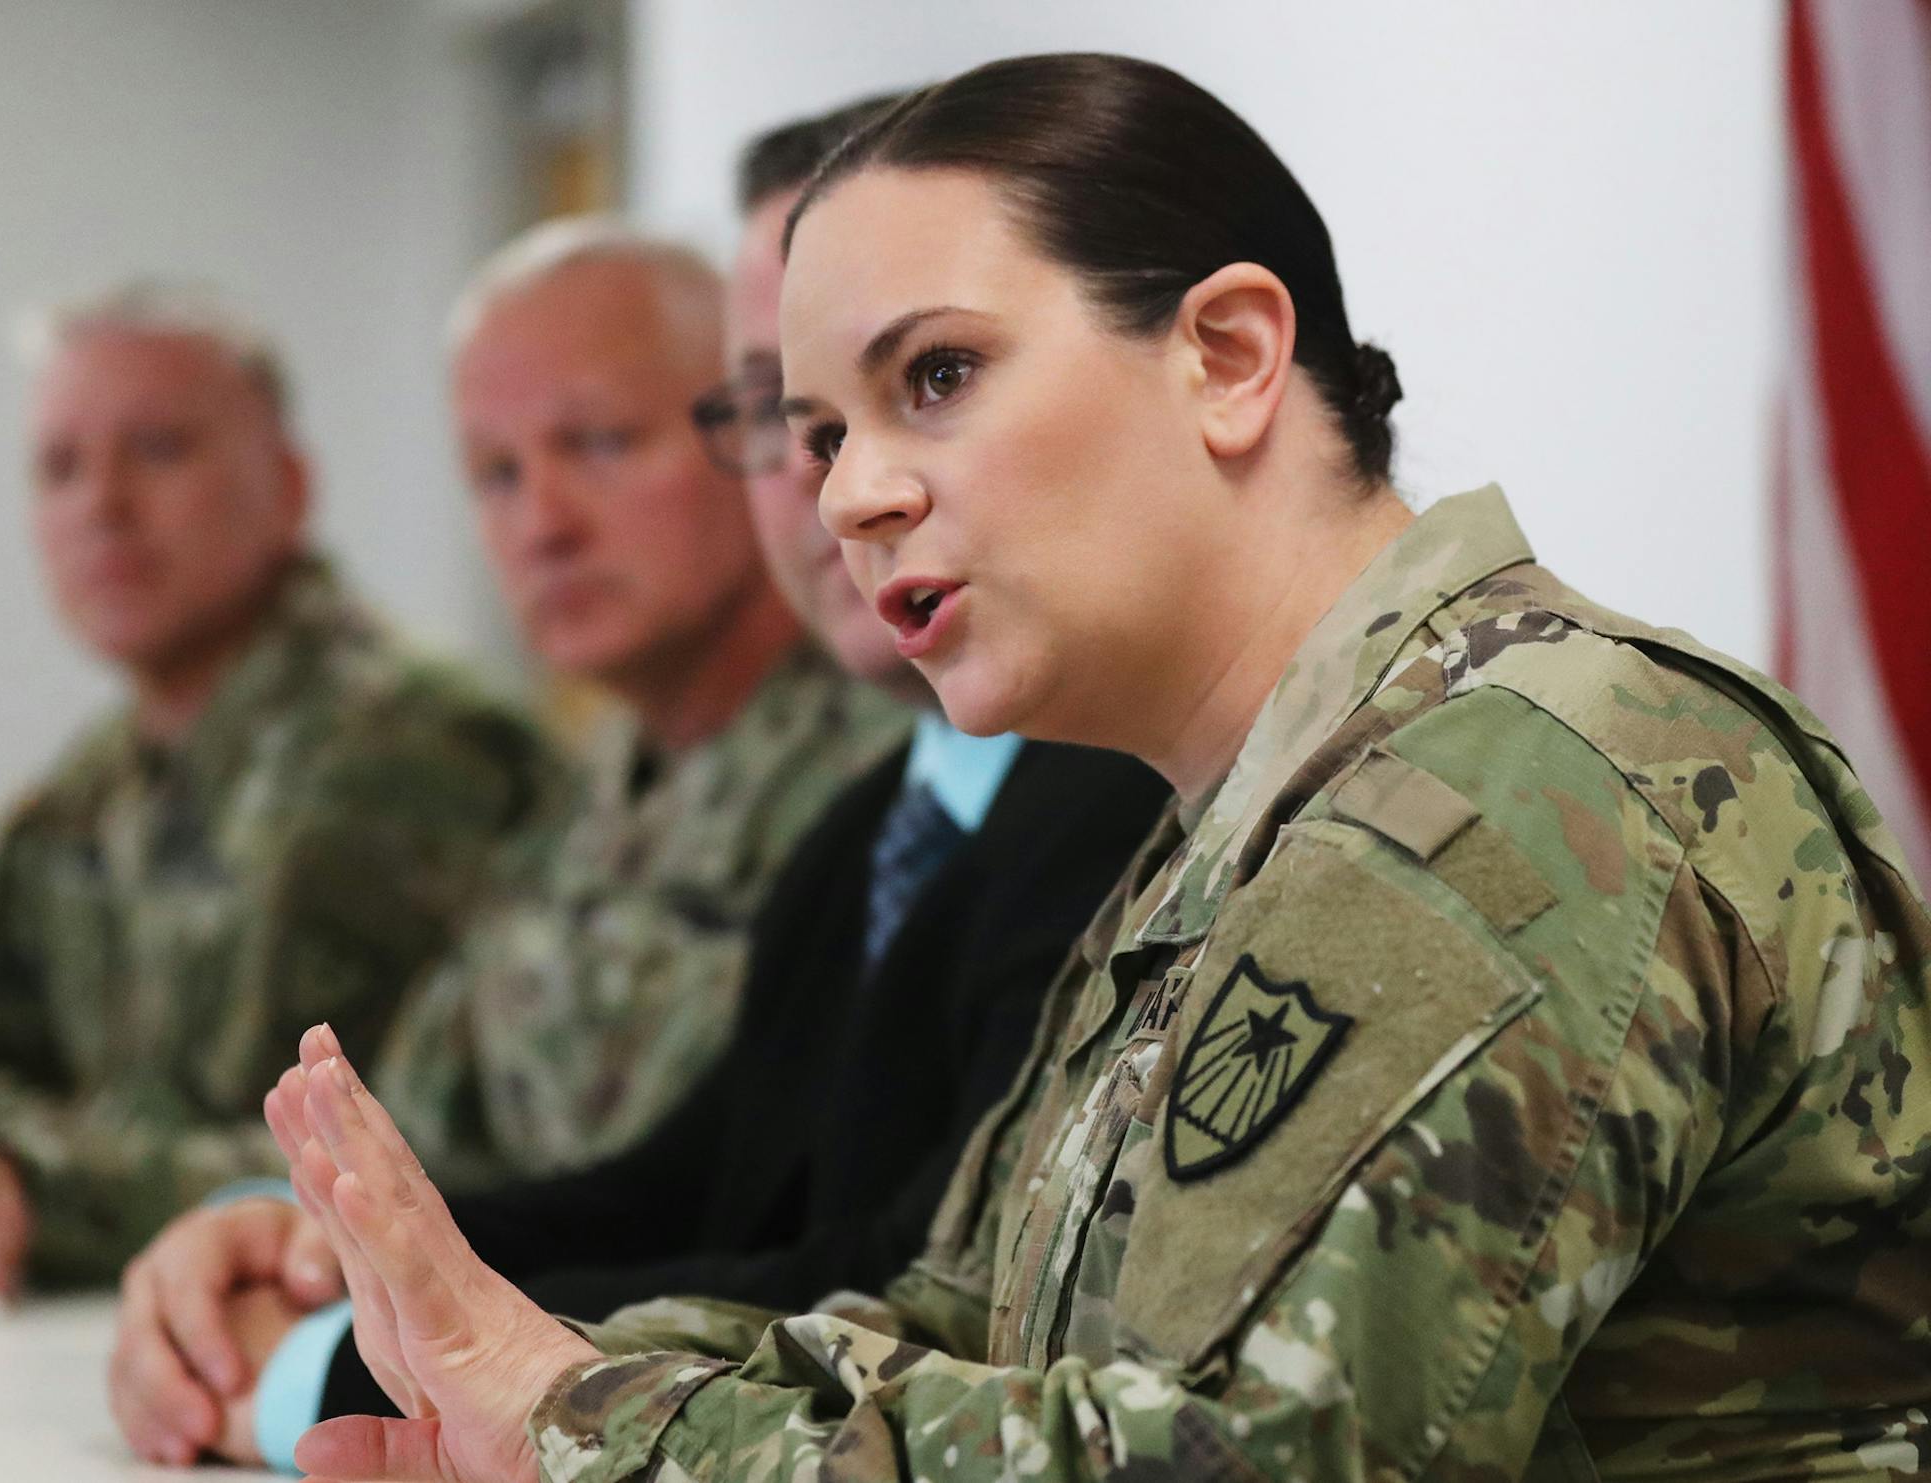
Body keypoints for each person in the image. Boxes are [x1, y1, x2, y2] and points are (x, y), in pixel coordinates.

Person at [261, 52, 1931, 1483]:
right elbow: (957, 1321)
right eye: (824, 431)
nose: (848, 499)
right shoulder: (1240, 817)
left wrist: (570, 1407)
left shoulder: (1516, 787)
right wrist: (499, 1375)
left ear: (1225, 356)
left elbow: (1244, 1461)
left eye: (937, 378)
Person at [103, 102, 1168, 1471]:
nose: (822, 479)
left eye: (924, 379)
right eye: (780, 408)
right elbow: (686, 1176)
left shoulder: (1127, 791)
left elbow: (934, 1285)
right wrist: (324, 1243)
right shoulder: (872, 832)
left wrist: (340, 1353)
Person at [103, 222, 911, 1467]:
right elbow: (429, 1131)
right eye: (493, 471)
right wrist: (274, 1230)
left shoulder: (897, 784)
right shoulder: (587, 799)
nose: (543, 521)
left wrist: (325, 1349)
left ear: (757, 439)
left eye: (597, 443)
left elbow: (805, 1243)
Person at [0, 282, 559, 1297]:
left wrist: (23, 1182)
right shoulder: (88, 788)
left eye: (157, 450)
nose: (102, 506)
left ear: (287, 486)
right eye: (60, 466)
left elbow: (424, 1159)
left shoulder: (420, 757)